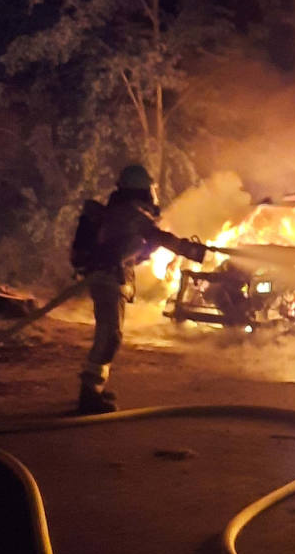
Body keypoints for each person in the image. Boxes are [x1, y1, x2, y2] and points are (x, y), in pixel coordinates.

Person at [77, 164, 205, 413]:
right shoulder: (132, 213)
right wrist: (188, 250)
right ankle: (89, 395)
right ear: (143, 190)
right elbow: (158, 237)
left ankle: (95, 389)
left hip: (108, 276)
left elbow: (138, 245)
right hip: (108, 278)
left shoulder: (121, 213)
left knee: (109, 334)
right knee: (110, 336)